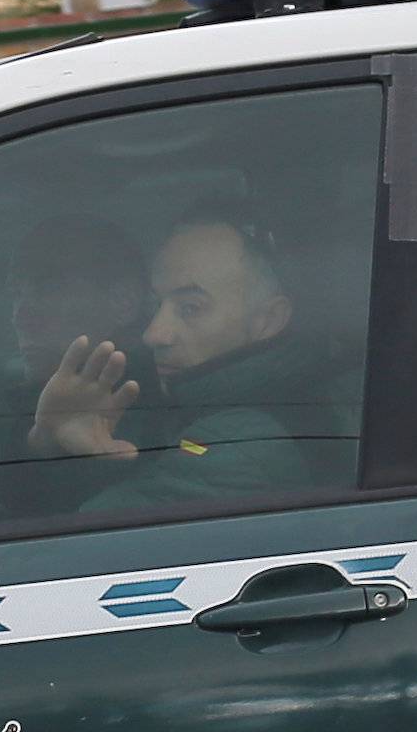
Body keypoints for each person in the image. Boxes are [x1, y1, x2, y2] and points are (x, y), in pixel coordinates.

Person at [27, 198, 344, 511]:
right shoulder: (186, 401)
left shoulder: (240, 445)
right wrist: (50, 440)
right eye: (156, 304)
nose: (153, 333)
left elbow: (81, 546)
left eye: (190, 308)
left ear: (269, 320)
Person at [0, 215, 157, 514]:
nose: (21, 316)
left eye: (48, 288)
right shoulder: (45, 411)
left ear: (123, 301)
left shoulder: (161, 416)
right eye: (17, 294)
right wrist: (42, 443)